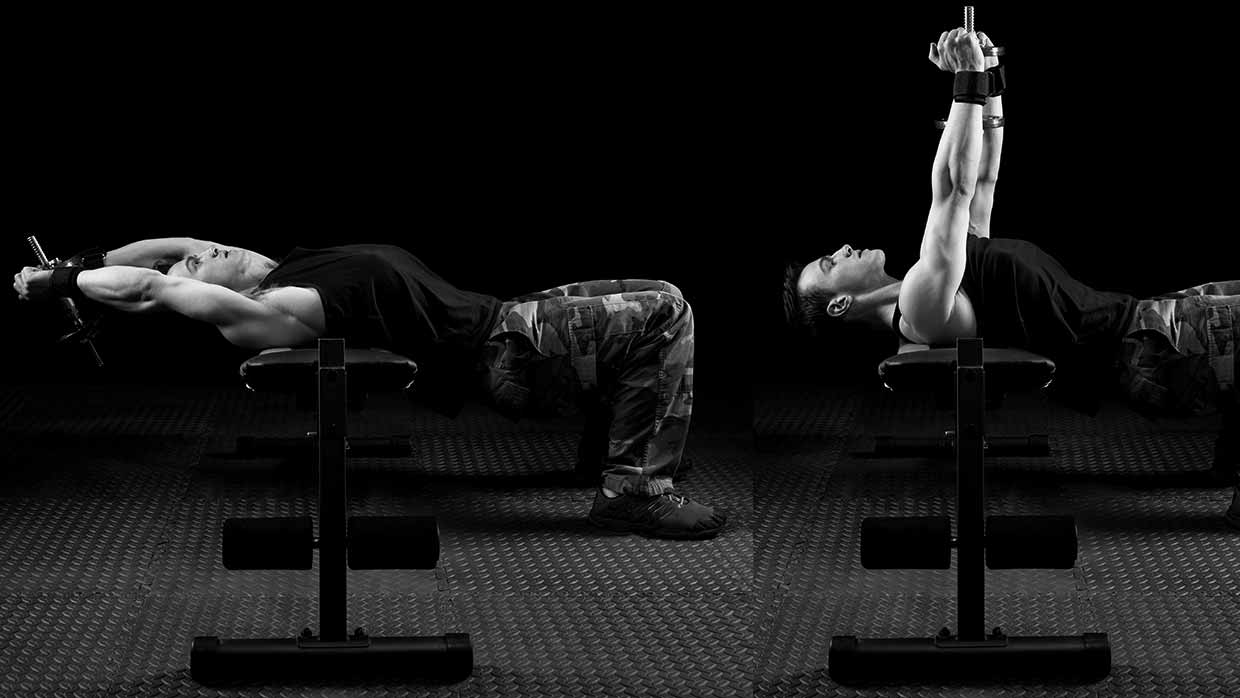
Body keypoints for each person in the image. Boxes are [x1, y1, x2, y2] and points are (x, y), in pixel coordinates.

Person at [779, 29, 1239, 529]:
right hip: (1149, 347)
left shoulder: (936, 279)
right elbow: (952, 189)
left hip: (1149, 322)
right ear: (841, 305)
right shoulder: (922, 303)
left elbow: (981, 178)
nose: (842, 249)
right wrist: (965, 80)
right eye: (830, 263)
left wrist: (989, 76)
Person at [14, 237, 725, 540]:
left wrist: (86, 257)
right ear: (197, 294)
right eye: (198, 262)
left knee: (654, 293)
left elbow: (157, 251)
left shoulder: (274, 265)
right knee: (668, 312)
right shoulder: (270, 309)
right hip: (507, 352)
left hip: (508, 316)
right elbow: (148, 283)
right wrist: (63, 283)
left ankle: (610, 456)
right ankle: (630, 493)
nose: (204, 250)